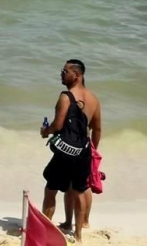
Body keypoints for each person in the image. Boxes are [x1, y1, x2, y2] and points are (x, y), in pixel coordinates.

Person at [40, 59, 102, 244]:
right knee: (79, 190)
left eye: (65, 71)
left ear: (77, 75)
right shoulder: (93, 99)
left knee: (51, 188)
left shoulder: (66, 96)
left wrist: (45, 131)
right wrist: (92, 152)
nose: (61, 73)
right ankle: (78, 235)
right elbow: (97, 129)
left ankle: (45, 229)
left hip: (65, 152)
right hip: (83, 151)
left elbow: (57, 125)